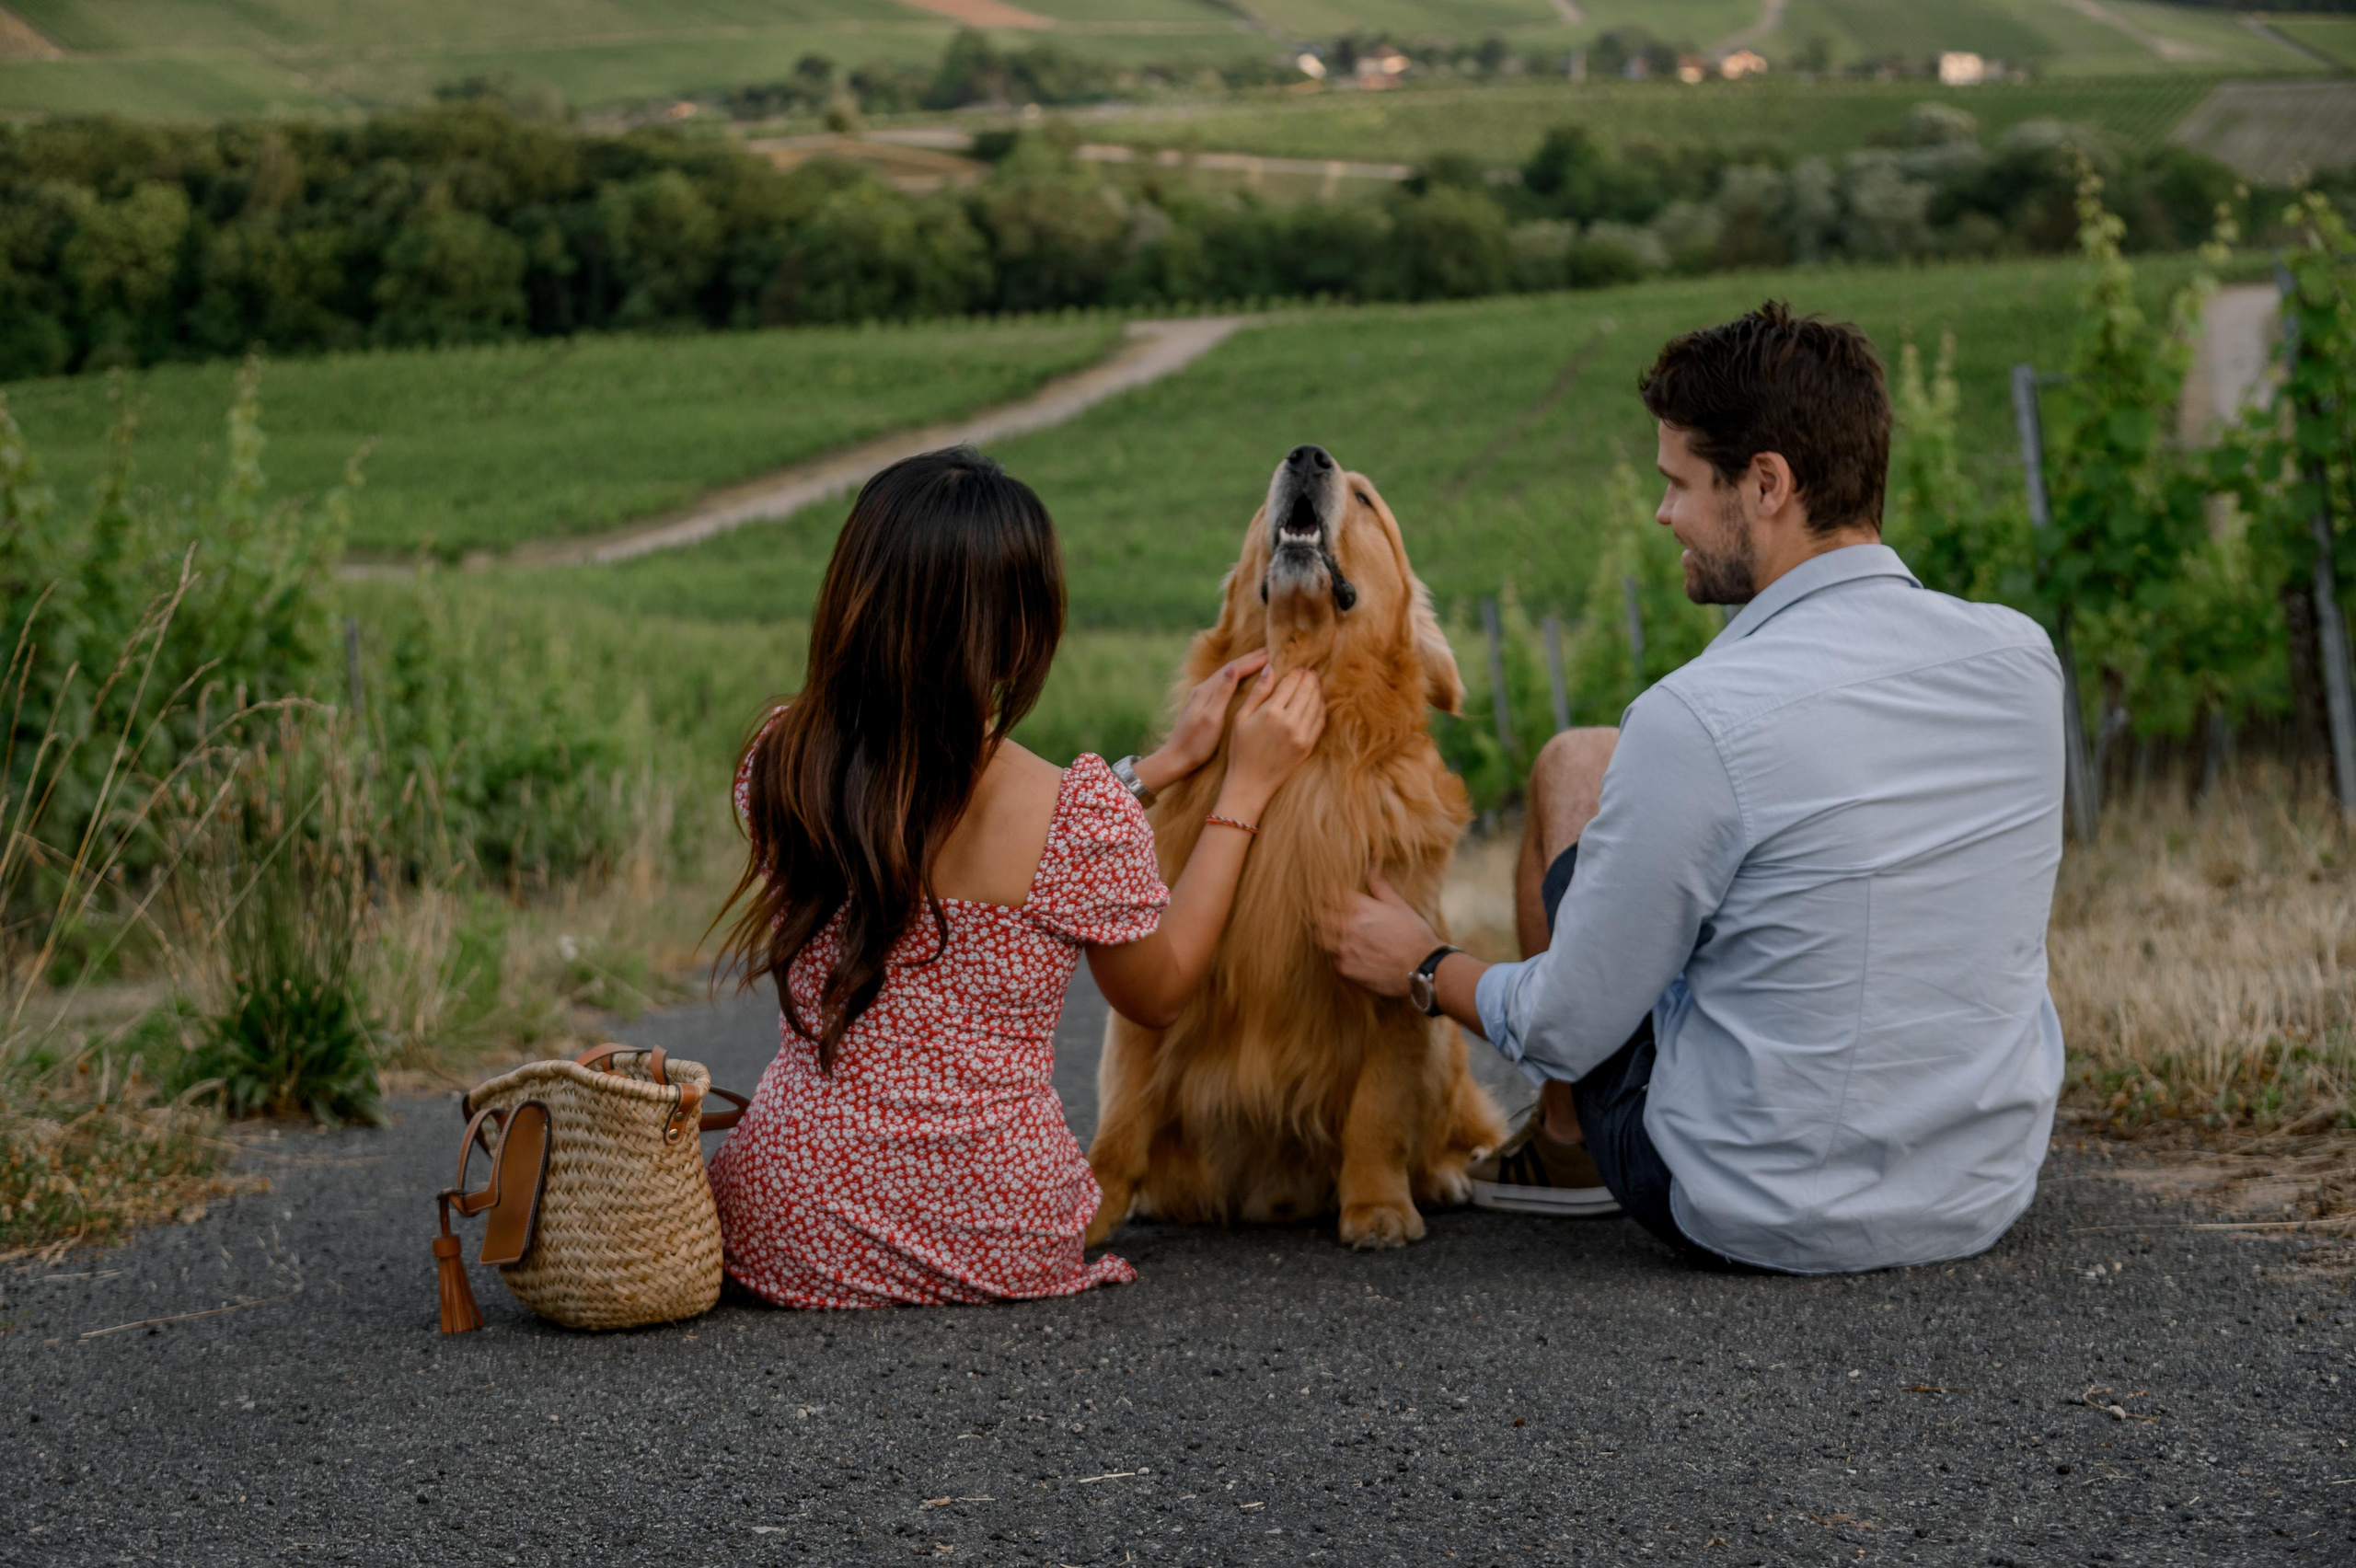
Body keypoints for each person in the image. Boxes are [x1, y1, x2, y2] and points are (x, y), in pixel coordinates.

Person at [1330, 301, 2066, 1275]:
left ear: (1766, 484)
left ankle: (1569, 1154)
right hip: (1980, 1192)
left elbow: (1563, 1026)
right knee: (1596, 771)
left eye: (1678, 481)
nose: (1662, 513)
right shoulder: (2020, 658)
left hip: (1753, 1205)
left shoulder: (1698, 716)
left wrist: (1421, 963)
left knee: (1574, 783)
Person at [710, 447, 1326, 1309]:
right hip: (997, 1236)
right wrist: (1243, 789)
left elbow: (910, 811)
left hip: (787, 1233)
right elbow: (1160, 992)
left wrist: (1158, 768)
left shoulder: (778, 763)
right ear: (1023, 632)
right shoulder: (1074, 816)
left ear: (852, 596)